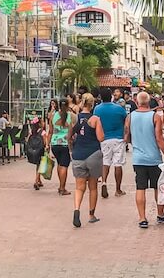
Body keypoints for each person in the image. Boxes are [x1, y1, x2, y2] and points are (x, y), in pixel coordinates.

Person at [127, 91, 164, 229]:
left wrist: (135, 144)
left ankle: (142, 218)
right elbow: (159, 138)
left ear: (137, 102)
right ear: (148, 102)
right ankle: (160, 214)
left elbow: (126, 136)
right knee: (157, 187)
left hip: (138, 158)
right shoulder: (155, 117)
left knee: (140, 188)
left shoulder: (130, 117)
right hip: (154, 158)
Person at [69, 93, 105, 227]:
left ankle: (76, 210)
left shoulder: (75, 118)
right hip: (93, 154)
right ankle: (91, 214)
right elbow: (101, 138)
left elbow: (70, 135)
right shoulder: (95, 119)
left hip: (78, 155)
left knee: (79, 187)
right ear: (92, 104)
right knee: (93, 187)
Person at [94, 87, 129, 198]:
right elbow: (126, 122)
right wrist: (126, 135)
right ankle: (118, 189)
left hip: (104, 139)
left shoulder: (97, 109)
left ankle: (104, 182)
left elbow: (95, 122)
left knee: (105, 162)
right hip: (118, 138)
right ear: (111, 96)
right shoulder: (119, 108)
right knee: (118, 164)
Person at [49, 98, 75, 195]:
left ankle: (61, 185)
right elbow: (71, 132)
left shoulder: (53, 115)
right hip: (64, 144)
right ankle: (62, 188)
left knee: (59, 164)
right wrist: (70, 143)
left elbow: (50, 131)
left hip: (54, 143)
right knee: (64, 166)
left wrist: (47, 144)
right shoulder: (70, 116)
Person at [26, 117, 46, 190]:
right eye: (43, 122)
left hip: (33, 150)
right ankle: (36, 181)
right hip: (40, 150)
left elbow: (27, 140)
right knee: (40, 165)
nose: (44, 123)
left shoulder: (32, 132)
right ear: (40, 124)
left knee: (38, 165)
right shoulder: (42, 132)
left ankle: (39, 180)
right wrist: (47, 147)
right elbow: (45, 142)